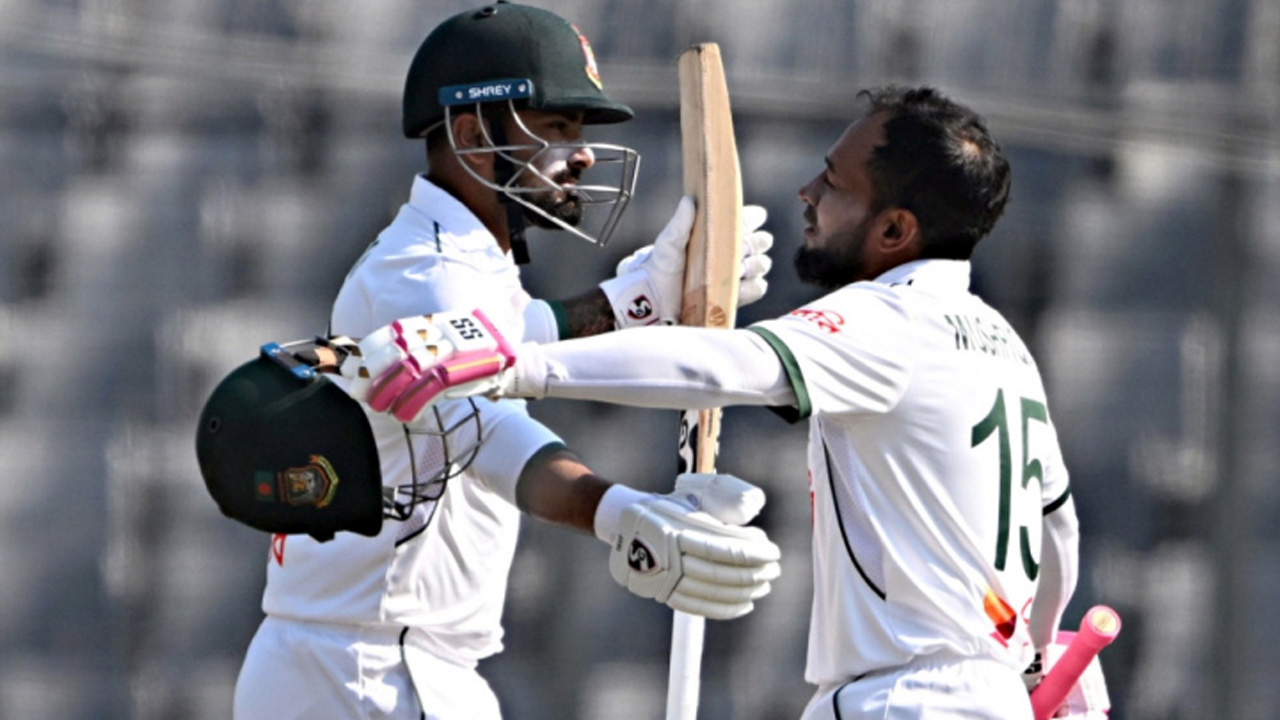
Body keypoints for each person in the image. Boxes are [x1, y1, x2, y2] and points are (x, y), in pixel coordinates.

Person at [347, 86, 1084, 719]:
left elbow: (729, 365)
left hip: (901, 700)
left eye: (834, 183)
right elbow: (1058, 532)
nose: (808, 193)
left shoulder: (887, 320)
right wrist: (1038, 658)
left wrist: (517, 364)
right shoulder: (1006, 348)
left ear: (895, 229)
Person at [230, 4, 780, 720]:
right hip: (370, 668)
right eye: (556, 127)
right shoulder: (423, 271)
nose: (582, 153)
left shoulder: (463, 260)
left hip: (368, 657)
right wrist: (623, 514)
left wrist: (634, 302)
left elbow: (513, 340)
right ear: (470, 135)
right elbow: (485, 433)